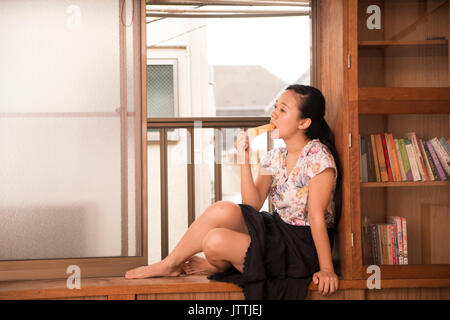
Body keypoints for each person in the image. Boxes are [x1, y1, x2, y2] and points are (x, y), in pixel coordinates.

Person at [125, 84, 342, 300]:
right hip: (277, 231)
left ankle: (217, 267)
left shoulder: (318, 156)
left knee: (214, 242)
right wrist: (244, 159)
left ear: (304, 122)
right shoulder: (273, 157)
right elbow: (252, 204)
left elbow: (315, 216)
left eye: (282, 110)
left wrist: (327, 269)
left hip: (300, 247)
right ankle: (169, 264)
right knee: (221, 210)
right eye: (275, 107)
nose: (273, 114)